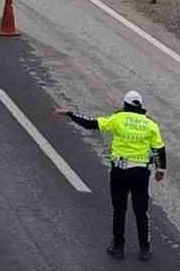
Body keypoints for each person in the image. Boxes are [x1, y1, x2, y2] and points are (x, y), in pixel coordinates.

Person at [53, 91, 167, 261]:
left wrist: (70, 114)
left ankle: (118, 248)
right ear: (141, 105)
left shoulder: (118, 119)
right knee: (141, 211)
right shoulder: (150, 124)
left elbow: (90, 124)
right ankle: (145, 249)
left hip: (119, 172)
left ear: (125, 104)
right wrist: (160, 170)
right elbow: (159, 149)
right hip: (140, 173)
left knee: (119, 210)